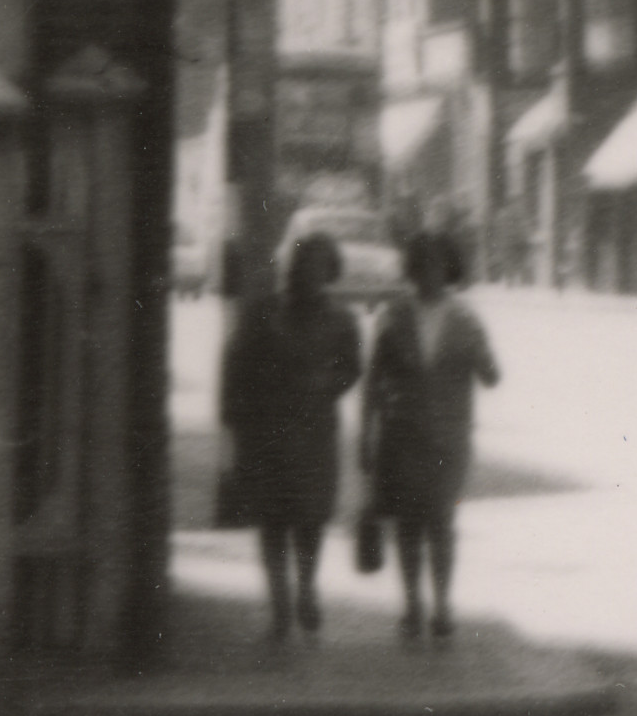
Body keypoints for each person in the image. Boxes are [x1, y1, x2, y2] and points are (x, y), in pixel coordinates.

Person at [216, 231, 363, 639]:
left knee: (311, 519)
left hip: (314, 433)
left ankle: (307, 589)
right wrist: (233, 422)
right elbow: (235, 365)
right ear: (291, 268)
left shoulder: (341, 319)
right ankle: (280, 606)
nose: (310, 275)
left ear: (330, 271)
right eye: (304, 266)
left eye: (320, 267)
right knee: (272, 521)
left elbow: (352, 367)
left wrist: (328, 382)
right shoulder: (263, 312)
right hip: (266, 432)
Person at [359, 230, 503, 640]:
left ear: (449, 269)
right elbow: (373, 382)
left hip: (449, 440)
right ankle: (411, 606)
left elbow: (491, 377)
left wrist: (480, 352)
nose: (430, 275)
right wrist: (365, 438)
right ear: (412, 270)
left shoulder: (466, 319)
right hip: (401, 437)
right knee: (407, 524)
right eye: (422, 266)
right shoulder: (392, 316)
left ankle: (441, 605)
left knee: (441, 521)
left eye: (438, 266)